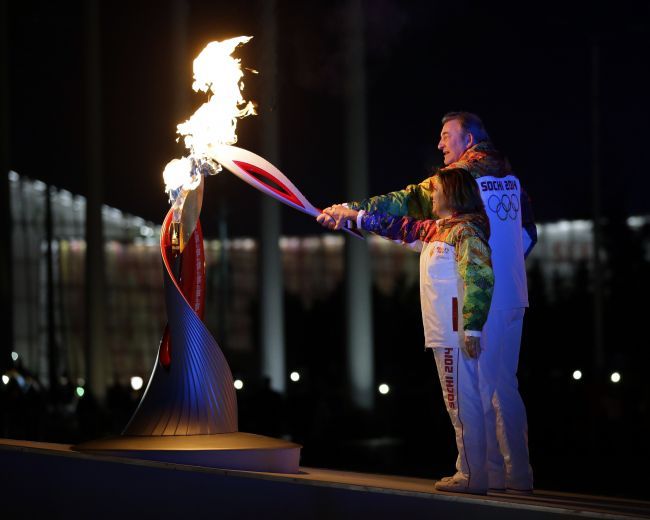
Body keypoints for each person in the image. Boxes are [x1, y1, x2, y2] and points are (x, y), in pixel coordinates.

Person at [322, 112, 535, 494]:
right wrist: (506, 268)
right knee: (503, 385)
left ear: (468, 140)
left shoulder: (457, 181)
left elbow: (404, 204)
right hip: (511, 295)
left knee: (471, 388)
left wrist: (351, 210)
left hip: (472, 298)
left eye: (446, 135)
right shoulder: (511, 178)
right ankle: (515, 473)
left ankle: (477, 473)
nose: (440, 144)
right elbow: (529, 235)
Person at [318, 168, 494, 494]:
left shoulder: (466, 231)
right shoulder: (437, 230)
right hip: (446, 332)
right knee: (462, 401)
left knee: (461, 402)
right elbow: (394, 225)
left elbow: (480, 277)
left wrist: (472, 328)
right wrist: (350, 215)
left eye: (436, 190)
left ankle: (471, 475)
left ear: (453, 194)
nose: (431, 195)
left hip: (456, 333)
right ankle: (477, 472)